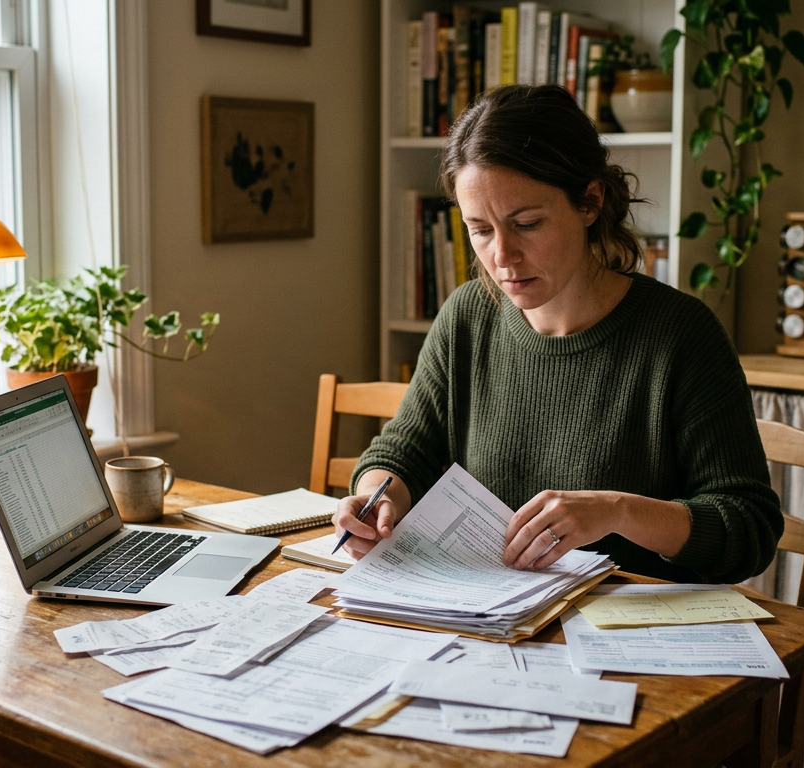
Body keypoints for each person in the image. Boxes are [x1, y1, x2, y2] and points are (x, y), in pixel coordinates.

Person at [331, 84, 781, 584]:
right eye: (480, 229)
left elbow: (750, 529)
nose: (502, 255)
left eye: (526, 223)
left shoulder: (681, 336)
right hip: (491, 625)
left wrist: (618, 511)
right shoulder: (468, 317)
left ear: (590, 201)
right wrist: (377, 497)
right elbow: (403, 453)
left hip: (628, 637)